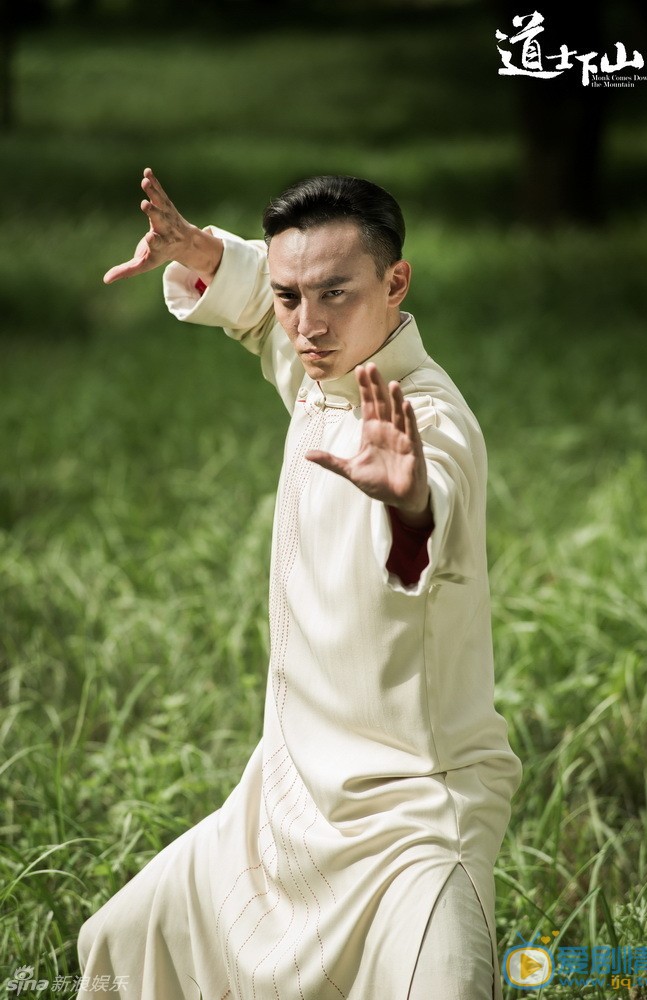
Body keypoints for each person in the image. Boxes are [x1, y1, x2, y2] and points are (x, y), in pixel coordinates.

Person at [77, 168, 521, 1000]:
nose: (307, 326)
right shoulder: (320, 365)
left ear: (395, 283)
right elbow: (258, 304)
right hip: (283, 794)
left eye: (334, 294)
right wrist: (203, 252)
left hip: (411, 815)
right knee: (122, 940)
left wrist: (410, 503)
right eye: (291, 298)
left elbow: (435, 521)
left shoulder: (426, 420)